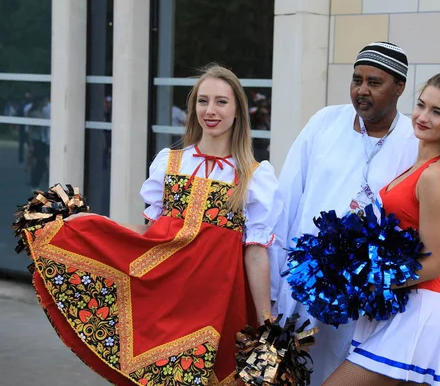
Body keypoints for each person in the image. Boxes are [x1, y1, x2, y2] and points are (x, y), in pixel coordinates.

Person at [22, 64, 282, 385]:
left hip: (218, 303)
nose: (210, 110)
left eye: (221, 102)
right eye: (203, 101)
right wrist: (91, 227)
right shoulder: (169, 162)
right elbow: (151, 234)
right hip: (166, 294)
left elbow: (255, 253)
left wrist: (267, 322)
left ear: (238, 111)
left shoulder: (256, 177)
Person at [270, 41, 419, 385]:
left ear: (399, 87)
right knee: (296, 371)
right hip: (303, 286)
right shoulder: (325, 122)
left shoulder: (413, 139)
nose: (361, 91)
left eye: (374, 82)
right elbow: (287, 199)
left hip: (367, 298)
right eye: (357, 80)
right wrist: (277, 281)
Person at [323, 71, 440, 386]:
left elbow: (433, 262)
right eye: (422, 105)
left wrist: (367, 280)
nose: (423, 116)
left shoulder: (438, 174)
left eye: (437, 112)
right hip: (398, 308)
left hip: (419, 311)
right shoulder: (416, 166)